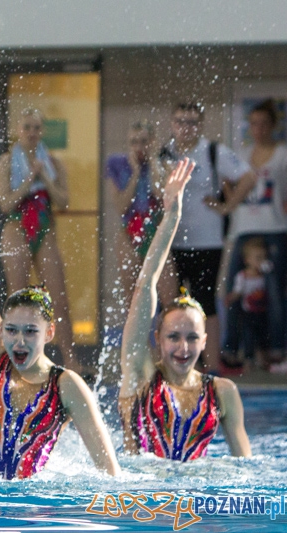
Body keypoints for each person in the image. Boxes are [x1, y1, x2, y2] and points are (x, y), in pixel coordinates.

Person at [0, 129, 119, 480]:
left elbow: (110, 474)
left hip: (35, 508)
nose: (19, 341)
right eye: (12, 330)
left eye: (30, 332)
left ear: (50, 332)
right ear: (0, 331)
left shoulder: (67, 385)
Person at [119, 157, 252, 461]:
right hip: (139, 502)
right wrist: (172, 215)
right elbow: (145, 285)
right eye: (173, 336)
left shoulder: (222, 392)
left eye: (192, 337)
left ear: (205, 341)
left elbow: (246, 469)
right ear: (157, 337)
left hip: (196, 500)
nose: (183, 347)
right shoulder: (139, 377)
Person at [160, 102, 257, 372]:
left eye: (191, 122)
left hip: (207, 241)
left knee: (206, 301)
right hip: (174, 242)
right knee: (172, 306)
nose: (185, 127)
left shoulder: (213, 152)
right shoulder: (165, 154)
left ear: (200, 125)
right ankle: (175, 365)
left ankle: (211, 366)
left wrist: (227, 206)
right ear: (172, 124)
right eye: (180, 121)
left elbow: (248, 177)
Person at [0, 108, 76, 370]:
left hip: (44, 227)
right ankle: (10, 359)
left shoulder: (52, 162)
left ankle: (71, 360)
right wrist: (30, 178)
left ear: (42, 132)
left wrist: (44, 178)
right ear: (18, 130)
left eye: (36, 128)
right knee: (16, 298)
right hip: (16, 227)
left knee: (58, 297)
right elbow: (5, 204)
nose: (32, 133)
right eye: (27, 127)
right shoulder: (6, 162)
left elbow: (63, 201)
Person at [223, 99, 287, 370]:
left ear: (273, 126)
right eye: (254, 124)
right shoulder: (239, 154)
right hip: (243, 229)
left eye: (264, 124)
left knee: (272, 291)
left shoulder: (283, 154)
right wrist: (230, 202)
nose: (259, 129)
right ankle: (232, 348)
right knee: (232, 289)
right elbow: (227, 185)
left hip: (274, 229)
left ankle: (276, 347)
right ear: (249, 127)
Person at [106, 121, 178, 316]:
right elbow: (121, 206)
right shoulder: (117, 164)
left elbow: (161, 195)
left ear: (153, 142)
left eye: (144, 142)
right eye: (134, 142)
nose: (139, 147)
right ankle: (138, 346)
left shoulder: (164, 163)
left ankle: (165, 345)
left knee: (169, 299)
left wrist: (153, 162)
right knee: (133, 302)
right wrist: (136, 173)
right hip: (129, 233)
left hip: (157, 232)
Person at [225, 238, 270, 367]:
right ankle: (248, 360)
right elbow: (238, 292)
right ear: (247, 260)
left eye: (263, 257)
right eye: (258, 258)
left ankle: (263, 359)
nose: (261, 261)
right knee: (248, 337)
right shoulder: (242, 276)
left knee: (263, 337)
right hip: (248, 313)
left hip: (262, 312)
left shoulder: (266, 276)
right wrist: (231, 298)